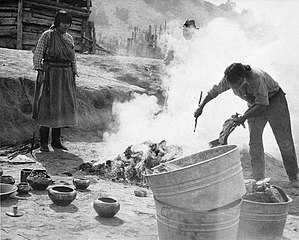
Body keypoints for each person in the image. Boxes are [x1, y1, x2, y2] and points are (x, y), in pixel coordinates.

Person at [194, 62, 299, 188]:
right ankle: (258, 177)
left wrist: (244, 117)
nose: (234, 87)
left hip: (274, 101)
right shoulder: (229, 78)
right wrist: (201, 106)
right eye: (231, 85)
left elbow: (262, 103)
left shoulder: (256, 77)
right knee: (254, 141)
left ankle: (294, 177)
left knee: (284, 140)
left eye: (236, 84)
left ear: (243, 77)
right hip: (254, 104)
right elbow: (214, 91)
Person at [32, 10, 77, 152]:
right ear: (57, 22)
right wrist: (40, 71)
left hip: (65, 75)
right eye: (63, 22)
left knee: (61, 108)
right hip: (50, 74)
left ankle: (56, 142)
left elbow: (73, 58)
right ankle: (44, 143)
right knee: (47, 107)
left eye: (68, 23)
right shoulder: (48, 35)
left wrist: (74, 72)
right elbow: (38, 54)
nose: (66, 26)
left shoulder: (69, 38)